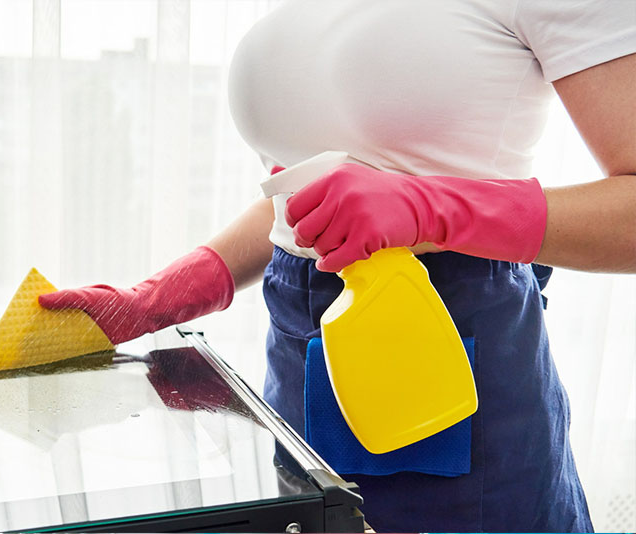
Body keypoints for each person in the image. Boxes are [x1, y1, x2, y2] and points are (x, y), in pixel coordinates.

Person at [40, 1, 636, 531]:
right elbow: (307, 198)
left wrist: (431, 209)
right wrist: (162, 295)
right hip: (299, 358)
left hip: (444, 351)